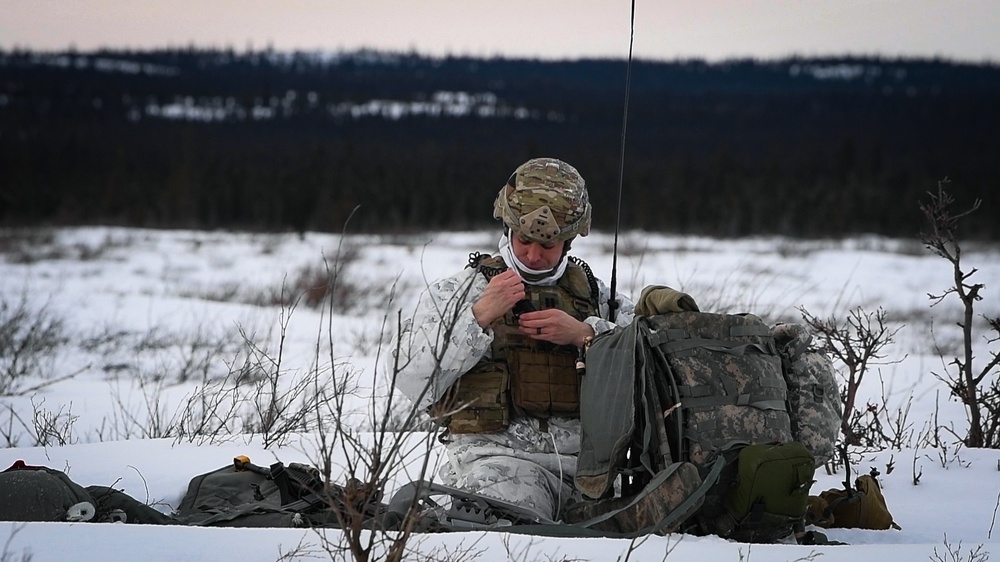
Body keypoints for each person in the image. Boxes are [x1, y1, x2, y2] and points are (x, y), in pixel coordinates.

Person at [391, 157, 635, 522]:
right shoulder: (459, 293)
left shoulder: (598, 299)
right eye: (524, 239)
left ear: (569, 241)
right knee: (512, 533)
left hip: (593, 474)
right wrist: (477, 317)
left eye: (548, 245)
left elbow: (647, 367)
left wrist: (586, 335)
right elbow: (409, 378)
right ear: (507, 227)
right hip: (497, 467)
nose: (534, 255)